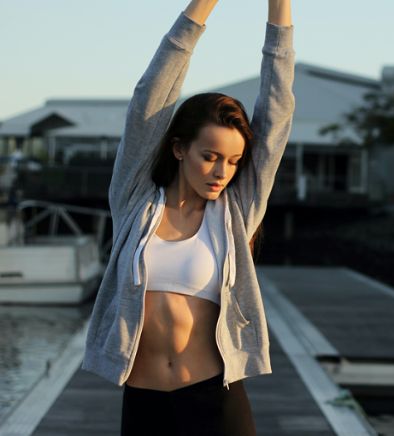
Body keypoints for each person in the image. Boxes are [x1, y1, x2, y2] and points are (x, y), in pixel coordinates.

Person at [79, 0, 295, 434]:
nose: (221, 172)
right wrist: (204, 6)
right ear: (179, 149)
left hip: (215, 399)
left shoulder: (235, 213)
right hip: (144, 402)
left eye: (233, 161)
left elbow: (276, 113)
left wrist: (279, 8)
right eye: (209, 156)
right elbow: (148, 100)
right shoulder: (136, 203)